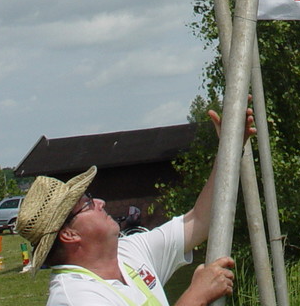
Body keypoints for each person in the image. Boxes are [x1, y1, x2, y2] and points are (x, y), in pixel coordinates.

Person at [16, 108, 251, 306]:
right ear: (69, 234)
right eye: (87, 203)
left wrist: (229, 150)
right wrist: (196, 296)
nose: (100, 202)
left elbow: (199, 221)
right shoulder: (74, 297)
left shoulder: (127, 252)